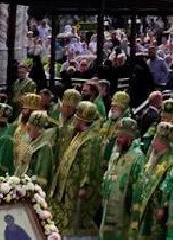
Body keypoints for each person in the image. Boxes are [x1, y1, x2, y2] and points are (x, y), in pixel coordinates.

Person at [51, 100, 105, 239]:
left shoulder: (92, 139)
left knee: (75, 223)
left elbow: (89, 165)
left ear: (82, 120)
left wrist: (84, 186)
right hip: (68, 186)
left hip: (77, 190)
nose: (74, 119)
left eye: (77, 118)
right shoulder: (79, 135)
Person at [130, 122, 173, 240]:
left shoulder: (171, 161)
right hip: (144, 204)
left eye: (155, 140)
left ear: (163, 143)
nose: (152, 143)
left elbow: (169, 185)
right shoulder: (153, 156)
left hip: (157, 208)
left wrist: (163, 207)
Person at [100, 117, 145, 240]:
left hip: (124, 212)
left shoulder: (137, 157)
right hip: (108, 207)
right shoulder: (115, 154)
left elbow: (138, 188)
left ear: (129, 138)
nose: (118, 140)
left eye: (121, 137)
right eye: (117, 136)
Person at [14, 110, 57, 188]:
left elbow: (42, 177)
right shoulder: (26, 141)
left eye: (35, 128)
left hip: (32, 188)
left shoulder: (45, 147)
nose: (31, 131)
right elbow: (20, 165)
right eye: (29, 128)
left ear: (41, 130)